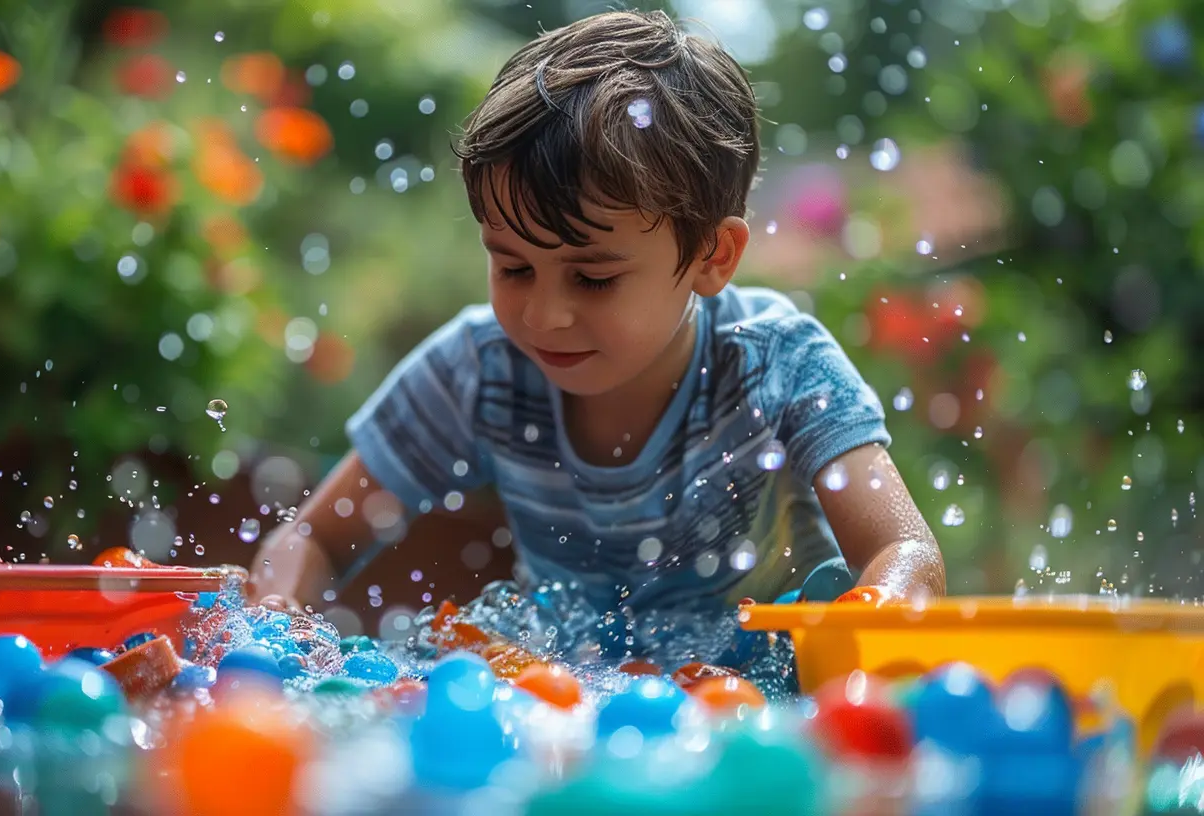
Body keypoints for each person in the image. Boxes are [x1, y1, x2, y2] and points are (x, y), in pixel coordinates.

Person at [248, 10, 945, 628]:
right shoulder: (478, 372)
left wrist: (865, 627)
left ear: (713, 254)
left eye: (594, 277)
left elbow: (906, 553)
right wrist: (275, 621)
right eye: (513, 267)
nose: (545, 315)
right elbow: (314, 538)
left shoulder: (776, 364)